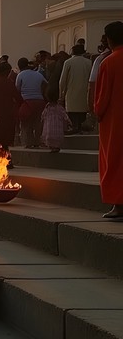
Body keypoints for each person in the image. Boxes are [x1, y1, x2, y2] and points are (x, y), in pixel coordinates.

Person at [94, 21, 123, 219]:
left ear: (109, 40)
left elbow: (102, 97)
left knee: (113, 160)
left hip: (115, 121)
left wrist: (97, 112)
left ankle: (119, 205)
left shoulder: (109, 62)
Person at [59, 44, 93, 132]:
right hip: (85, 93)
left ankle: (75, 127)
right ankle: (80, 127)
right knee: (82, 111)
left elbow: (62, 80)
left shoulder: (68, 62)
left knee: (72, 112)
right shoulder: (89, 62)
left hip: (71, 92)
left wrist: (61, 94)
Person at [15, 57, 47, 148]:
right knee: (38, 123)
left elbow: (17, 89)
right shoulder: (38, 74)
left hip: (26, 101)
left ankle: (27, 143)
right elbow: (46, 84)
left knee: (26, 124)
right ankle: (37, 142)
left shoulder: (20, 75)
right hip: (40, 100)